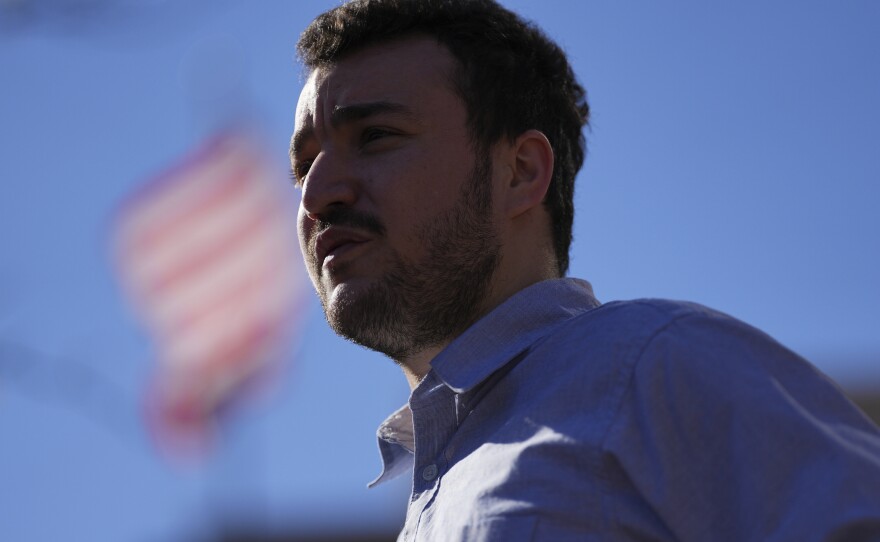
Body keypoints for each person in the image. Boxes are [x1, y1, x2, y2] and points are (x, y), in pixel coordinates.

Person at [290, 0, 880, 540]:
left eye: (376, 136)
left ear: (521, 172)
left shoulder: (652, 365)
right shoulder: (435, 497)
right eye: (303, 164)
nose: (317, 193)